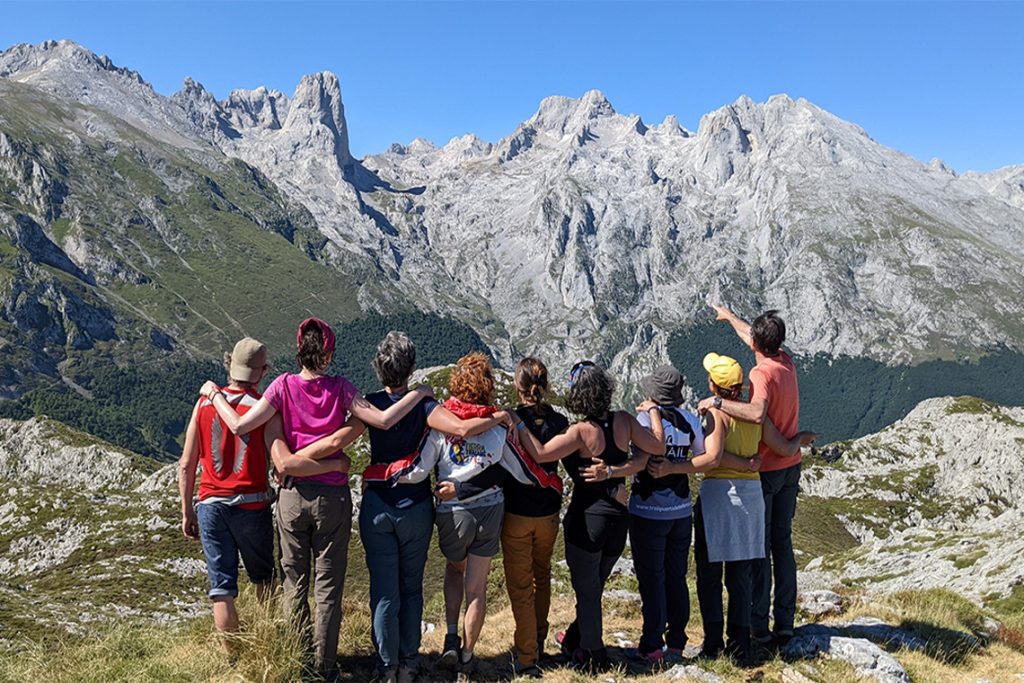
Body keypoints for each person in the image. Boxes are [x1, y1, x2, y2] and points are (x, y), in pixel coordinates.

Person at [199, 318, 432, 679]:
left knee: (294, 583)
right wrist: (419, 393)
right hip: (332, 499)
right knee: (328, 587)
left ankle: (298, 660)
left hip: (292, 496)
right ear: (329, 354)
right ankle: (325, 668)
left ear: (299, 351)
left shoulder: (281, 386)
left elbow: (241, 426)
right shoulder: (341, 388)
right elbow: (384, 420)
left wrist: (214, 394)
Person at [300, 332, 512, 683]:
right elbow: (461, 428)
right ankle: (410, 663)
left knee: (384, 591)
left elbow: (339, 438)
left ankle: (387, 665)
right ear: (412, 368)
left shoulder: (369, 405)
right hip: (415, 509)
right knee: (411, 588)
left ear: (378, 368)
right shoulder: (425, 407)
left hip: (377, 507)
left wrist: (295, 461)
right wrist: (499, 416)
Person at [362, 352, 561, 679]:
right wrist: (550, 481)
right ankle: (468, 657)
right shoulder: (498, 426)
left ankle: (451, 637)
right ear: (488, 386)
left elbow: (417, 469)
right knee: (477, 588)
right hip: (490, 511)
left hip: (453, 514)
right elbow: (523, 470)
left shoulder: (441, 425)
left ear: (457, 383)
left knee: (455, 571)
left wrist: (378, 474)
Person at [515, 361, 666, 673]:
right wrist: (653, 412)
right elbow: (656, 446)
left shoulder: (580, 432)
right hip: (618, 520)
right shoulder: (624, 421)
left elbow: (540, 453)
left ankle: (596, 657)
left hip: (588, 519)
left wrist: (517, 423)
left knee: (587, 592)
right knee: (594, 587)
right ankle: (574, 639)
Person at [693, 352, 815, 663]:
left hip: (719, 496)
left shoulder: (715, 415)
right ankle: (740, 645)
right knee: (740, 576)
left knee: (709, 575)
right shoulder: (756, 416)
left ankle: (712, 643)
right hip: (750, 498)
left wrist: (677, 465)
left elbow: (714, 457)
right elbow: (783, 447)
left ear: (713, 385)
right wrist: (800, 439)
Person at [178, 337, 282, 654]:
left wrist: (187, 511)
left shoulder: (204, 405)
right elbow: (278, 457)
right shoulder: (263, 408)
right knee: (264, 579)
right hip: (252, 505)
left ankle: (233, 658)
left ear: (230, 366)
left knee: (221, 588)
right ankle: (272, 647)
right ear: (262, 372)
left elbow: (187, 464)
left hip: (211, 507)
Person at [501, 358, 569, 678]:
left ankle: (527, 656)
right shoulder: (560, 421)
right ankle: (539, 641)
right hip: (549, 513)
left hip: (516, 512)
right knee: (542, 577)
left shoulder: (510, 421)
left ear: (518, 386)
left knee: (520, 586)